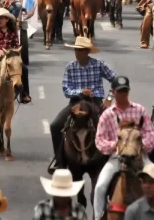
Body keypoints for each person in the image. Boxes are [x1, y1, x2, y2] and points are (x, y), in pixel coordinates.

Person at [93, 76, 154, 220]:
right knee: (100, 187)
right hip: (117, 158)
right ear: (113, 92)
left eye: (125, 91)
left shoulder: (140, 110)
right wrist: (114, 145)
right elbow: (99, 139)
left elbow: (151, 134)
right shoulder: (107, 115)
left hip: (140, 158)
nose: (122, 94)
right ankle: (98, 216)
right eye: (119, 91)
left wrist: (140, 146)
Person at [50, 36, 116, 171]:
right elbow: (66, 89)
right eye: (76, 50)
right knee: (55, 125)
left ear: (87, 51)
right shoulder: (70, 67)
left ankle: (114, 158)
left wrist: (109, 99)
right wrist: (81, 92)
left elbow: (115, 80)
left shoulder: (99, 64)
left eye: (80, 50)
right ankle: (59, 160)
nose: (77, 53)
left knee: (113, 126)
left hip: (95, 102)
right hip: (75, 103)